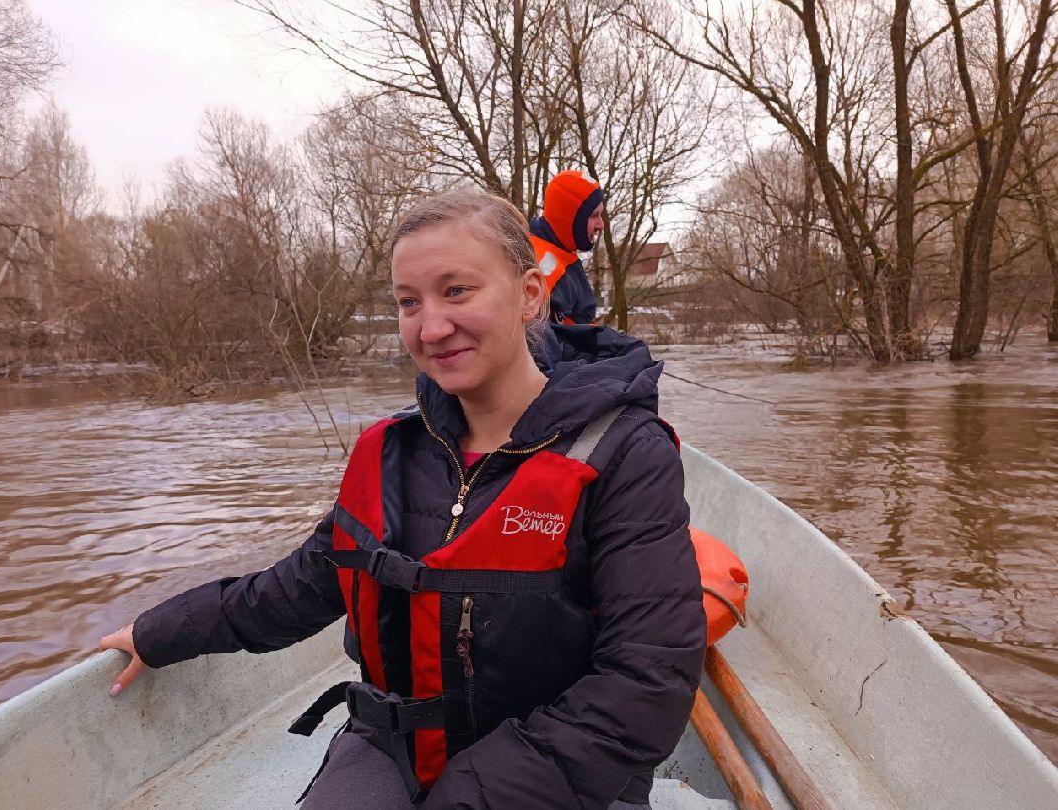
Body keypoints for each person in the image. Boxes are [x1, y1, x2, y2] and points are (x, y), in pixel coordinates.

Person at [99, 188, 705, 810]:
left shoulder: (626, 452)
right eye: (409, 302)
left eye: (457, 291)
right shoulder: (395, 453)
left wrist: (469, 795)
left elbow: (647, 681)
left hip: (561, 778)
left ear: (530, 295)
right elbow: (298, 589)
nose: (432, 326)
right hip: (401, 750)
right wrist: (162, 630)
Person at [529, 170, 605, 324]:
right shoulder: (543, 270)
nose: (601, 225)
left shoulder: (559, 249)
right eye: (594, 216)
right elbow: (561, 342)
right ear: (569, 219)